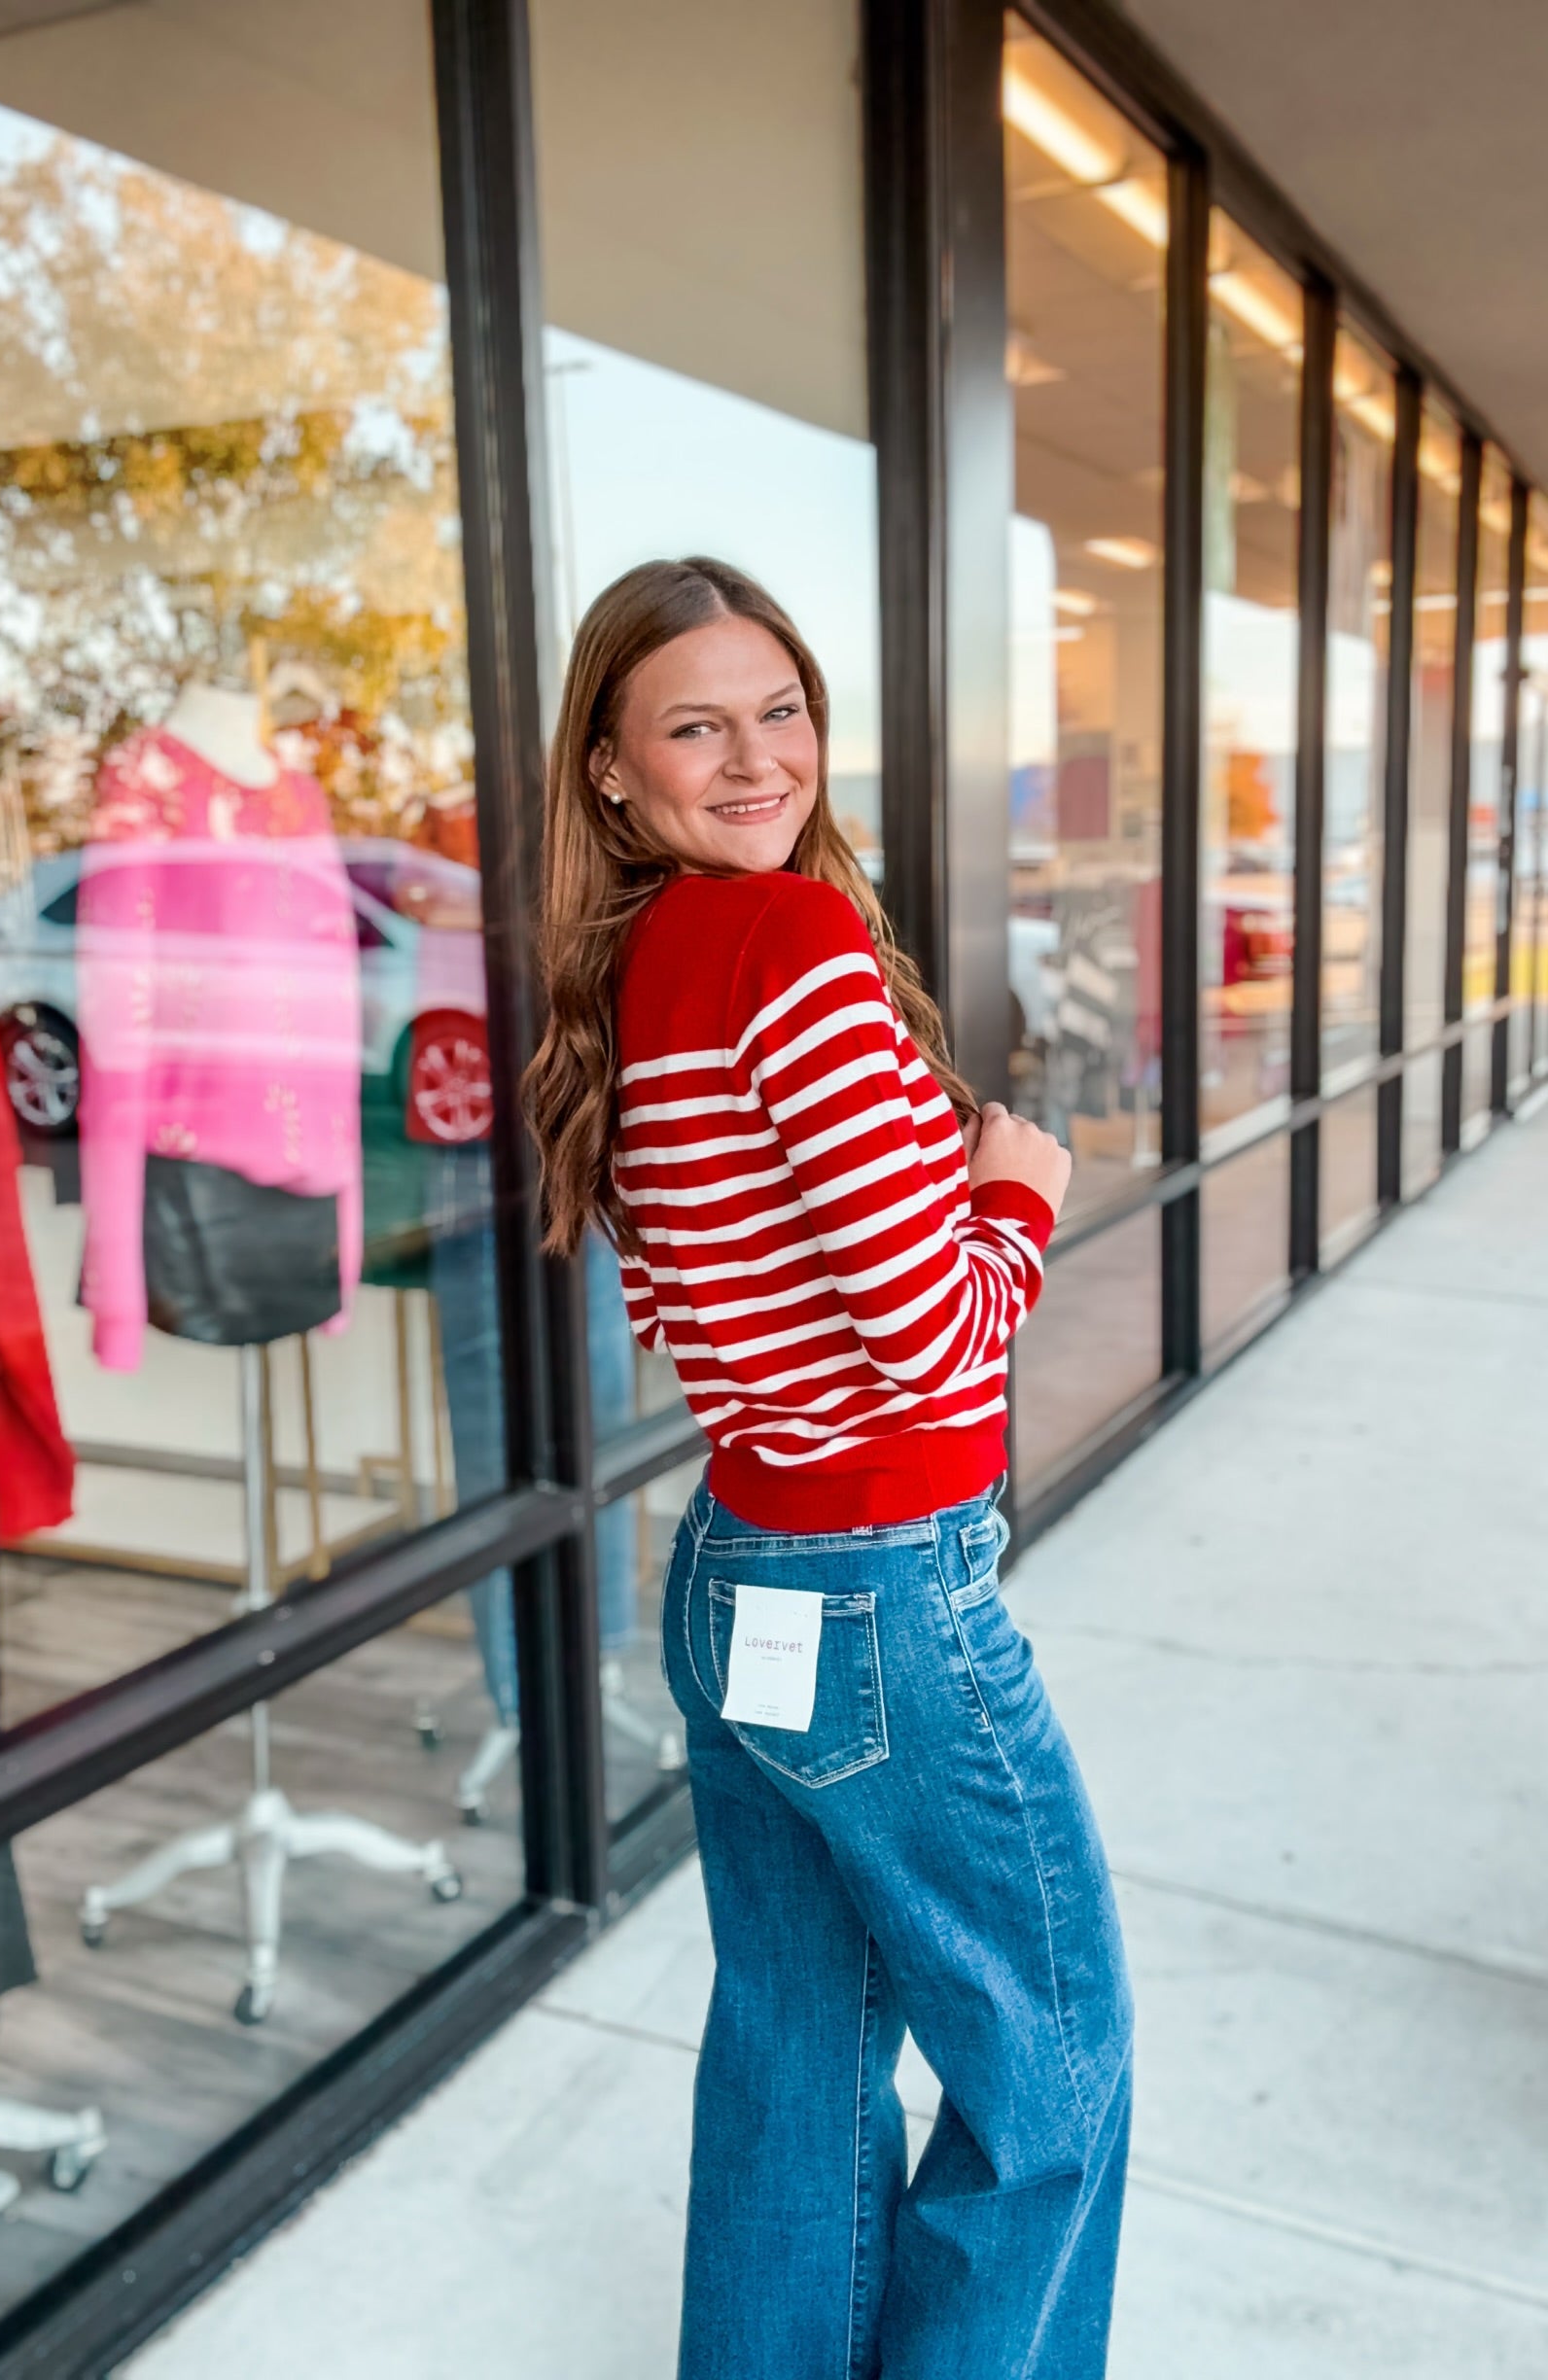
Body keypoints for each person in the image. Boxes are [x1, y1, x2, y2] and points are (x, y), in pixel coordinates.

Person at [525, 557, 1132, 2379]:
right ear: (614, 771)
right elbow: (938, 1340)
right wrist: (1019, 1193)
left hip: (746, 1570)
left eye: (778, 710)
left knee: (798, 2048)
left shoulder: (635, 962)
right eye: (693, 725)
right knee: (1055, 2061)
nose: (752, 758)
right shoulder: (786, 943)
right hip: (880, 1587)